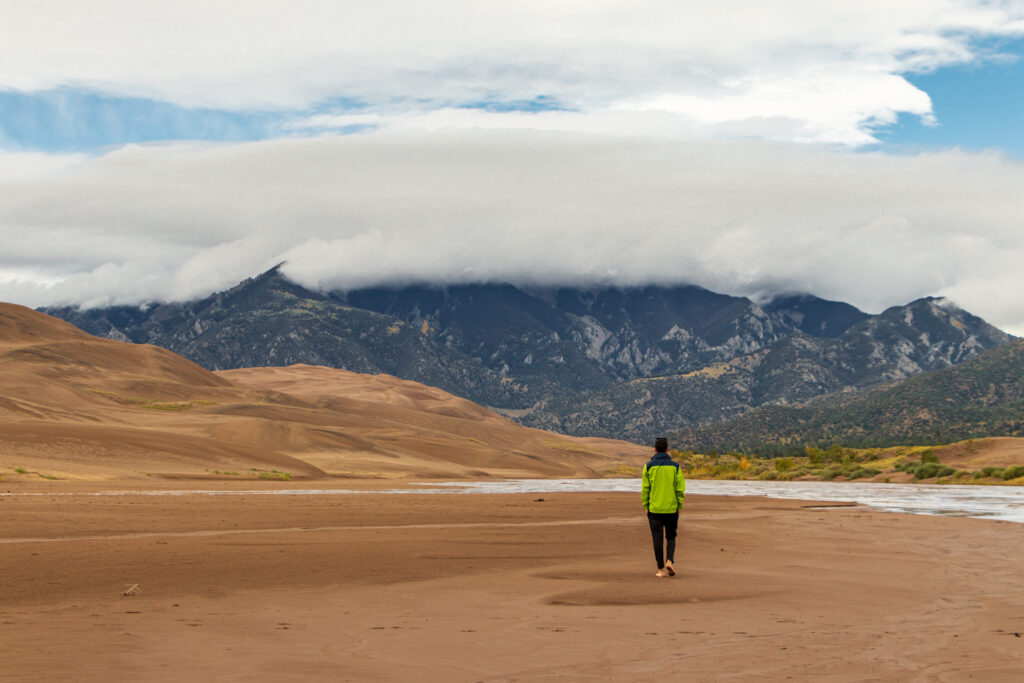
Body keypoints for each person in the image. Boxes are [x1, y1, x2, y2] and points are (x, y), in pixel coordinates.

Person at [641, 437, 686, 578]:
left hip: (654, 509)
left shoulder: (648, 466)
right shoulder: (675, 467)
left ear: (655, 449)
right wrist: (679, 504)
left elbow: (645, 489)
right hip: (671, 508)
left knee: (657, 539)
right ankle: (669, 561)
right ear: (667, 449)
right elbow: (680, 488)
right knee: (671, 537)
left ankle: (660, 570)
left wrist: (646, 505)